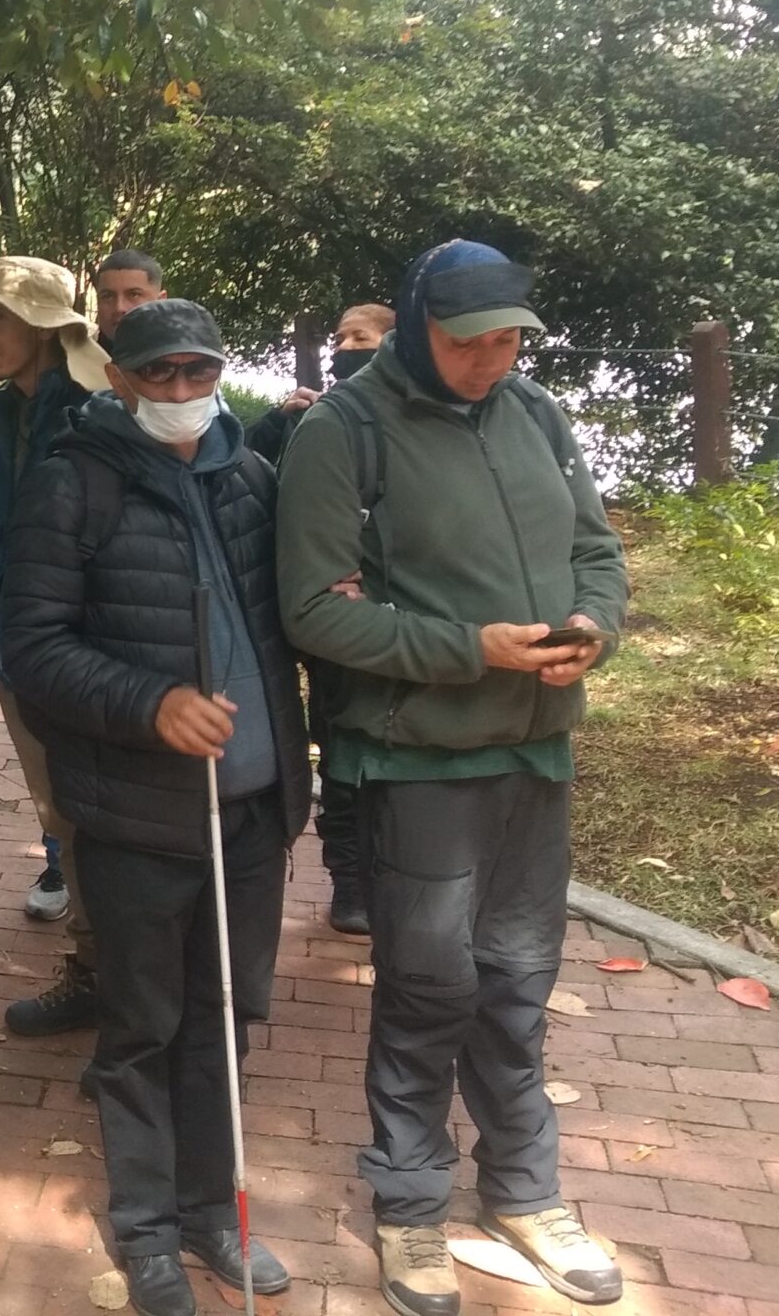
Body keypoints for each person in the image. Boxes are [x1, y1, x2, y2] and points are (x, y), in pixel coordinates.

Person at [277, 241, 627, 1316]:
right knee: (430, 989)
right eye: (470, 341)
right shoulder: (345, 431)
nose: (493, 358)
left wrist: (592, 627)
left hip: (535, 745)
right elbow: (313, 611)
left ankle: (524, 1191)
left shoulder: (537, 415)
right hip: (418, 755)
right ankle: (410, 1204)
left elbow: (598, 553)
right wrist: (469, 649)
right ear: (420, 324)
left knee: (518, 985)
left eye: (511, 338)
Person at [1, 299, 307, 1316]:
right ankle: (145, 1232)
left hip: (249, 811)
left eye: (198, 371)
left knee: (224, 1020)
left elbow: (289, 619)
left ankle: (213, 1211)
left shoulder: (250, 475)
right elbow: (32, 646)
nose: (182, 390)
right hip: (138, 815)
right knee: (142, 1028)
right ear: (122, 378)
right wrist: (149, 703)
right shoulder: (72, 482)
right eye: (160, 373)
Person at [0, 256, 112, 1038]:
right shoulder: (10, 411)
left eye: (1, 318)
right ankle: (101, 969)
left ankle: (113, 979)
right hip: (17, 643)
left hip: (77, 652)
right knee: (64, 813)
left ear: (46, 328)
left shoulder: (89, 413)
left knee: (93, 816)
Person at [241, 301, 393, 934]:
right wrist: (278, 424)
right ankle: (349, 880)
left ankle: (396, 878)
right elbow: (263, 492)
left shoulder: (413, 423)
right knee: (339, 751)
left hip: (405, 625)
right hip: (332, 626)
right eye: (340, 338)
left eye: (361, 337)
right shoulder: (318, 419)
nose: (345, 348)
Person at [245, 304, 394, 466]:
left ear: (391, 345)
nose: (343, 346)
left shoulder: (409, 409)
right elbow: (241, 460)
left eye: (360, 338)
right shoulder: (317, 410)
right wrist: (279, 420)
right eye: (338, 341)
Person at [90, 248, 167, 352]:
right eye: (108, 296)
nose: (119, 308)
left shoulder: (184, 358)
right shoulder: (75, 359)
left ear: (161, 301)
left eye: (134, 294)